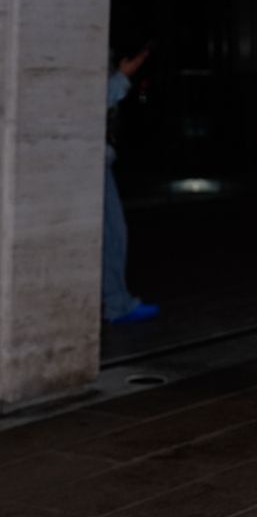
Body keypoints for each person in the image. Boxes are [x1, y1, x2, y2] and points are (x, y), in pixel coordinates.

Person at [101, 40, 161, 324]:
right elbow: (97, 100)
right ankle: (117, 304)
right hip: (92, 163)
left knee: (113, 233)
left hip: (101, 160)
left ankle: (117, 302)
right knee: (111, 234)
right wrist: (123, 76)